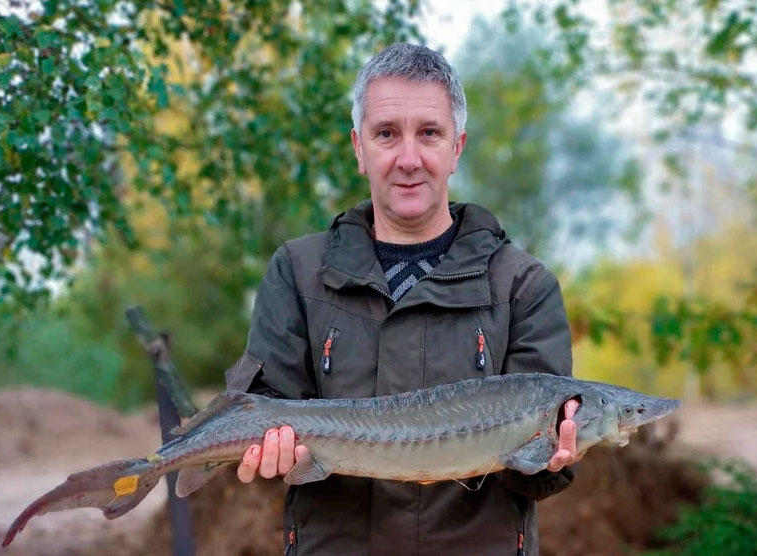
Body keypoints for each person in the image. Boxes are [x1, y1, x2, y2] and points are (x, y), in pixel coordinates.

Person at [225, 43, 584, 556]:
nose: (409, 159)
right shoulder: (297, 271)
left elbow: (534, 480)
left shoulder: (523, 285)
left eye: (430, 133)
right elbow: (267, 419)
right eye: (387, 134)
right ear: (358, 147)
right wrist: (270, 455)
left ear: (457, 147)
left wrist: (550, 460)